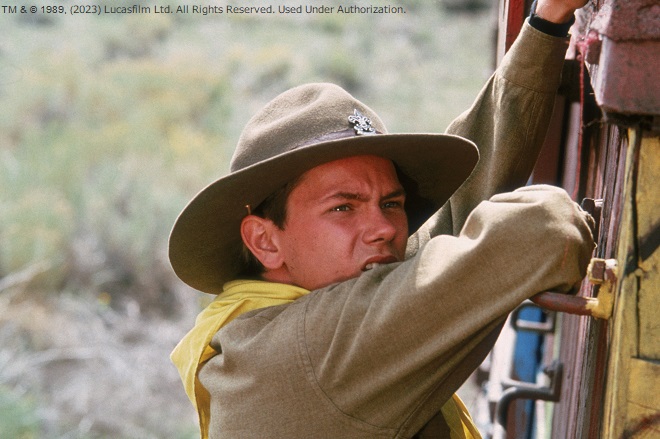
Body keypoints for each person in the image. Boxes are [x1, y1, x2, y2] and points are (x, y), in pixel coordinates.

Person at [169, 0, 595, 437]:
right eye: (343, 208)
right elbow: (542, 230)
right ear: (265, 241)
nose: (386, 229)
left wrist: (547, 20)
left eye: (391, 204)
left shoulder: (273, 318)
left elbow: (455, 210)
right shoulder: (315, 352)